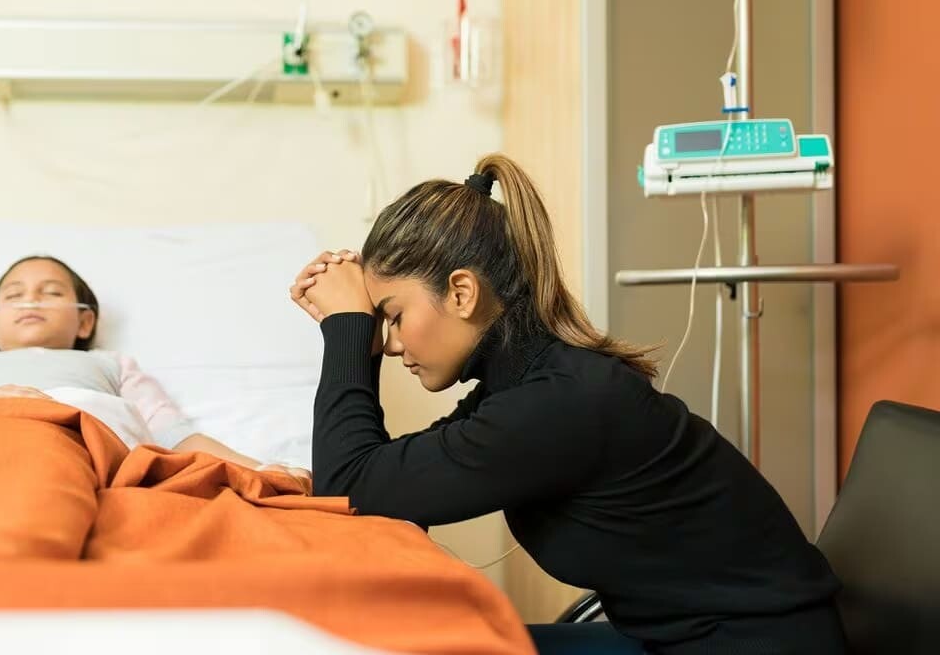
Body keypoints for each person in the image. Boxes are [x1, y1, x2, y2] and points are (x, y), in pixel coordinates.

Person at [289, 154, 845, 654]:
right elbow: (380, 481)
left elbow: (351, 489)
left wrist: (346, 330)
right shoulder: (528, 382)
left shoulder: (557, 405)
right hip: (675, 637)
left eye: (392, 316)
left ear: (461, 293)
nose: (390, 341)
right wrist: (356, 335)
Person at [0, 255, 309, 484]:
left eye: (51, 292)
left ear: (85, 323)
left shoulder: (109, 365)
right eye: (14, 295)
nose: (31, 299)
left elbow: (173, 434)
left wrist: (259, 470)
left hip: (84, 449)